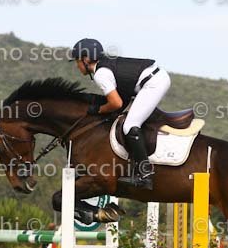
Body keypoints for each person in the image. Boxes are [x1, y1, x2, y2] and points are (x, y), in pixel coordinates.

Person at [70, 38, 171, 190]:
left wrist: (98, 110)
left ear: (86, 59)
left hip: (153, 83)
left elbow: (116, 103)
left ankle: (145, 175)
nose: (77, 65)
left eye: (77, 60)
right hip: (154, 78)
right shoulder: (105, 66)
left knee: (130, 126)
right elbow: (121, 100)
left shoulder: (100, 74)